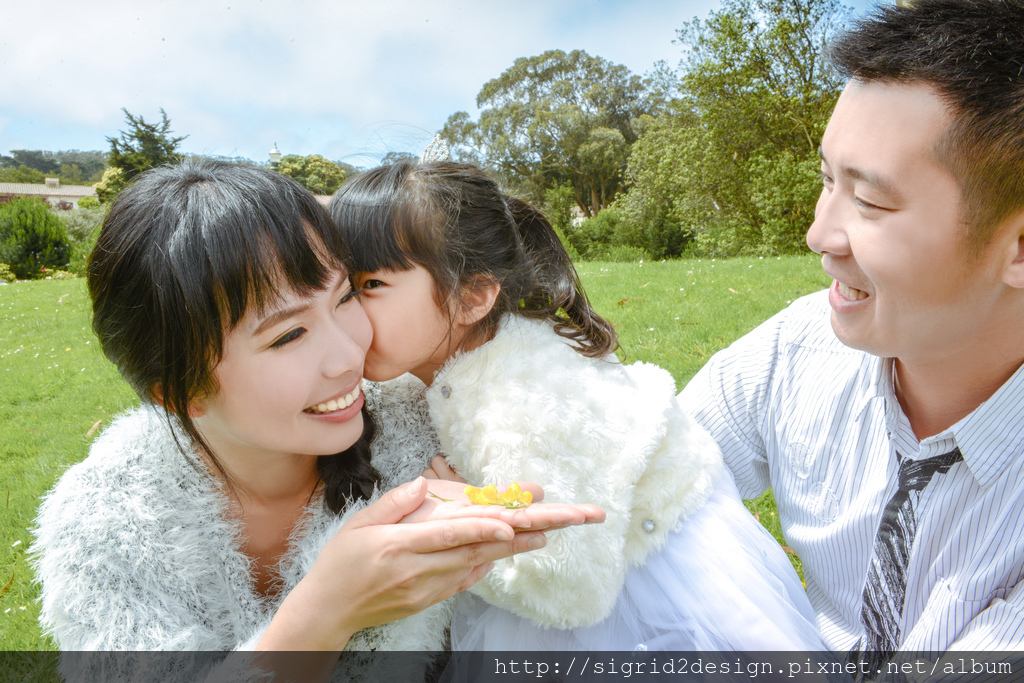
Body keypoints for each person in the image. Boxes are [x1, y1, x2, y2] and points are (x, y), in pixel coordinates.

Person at [29, 159, 597, 682]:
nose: (350, 357)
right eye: (289, 334)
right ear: (179, 392)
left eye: (347, 296)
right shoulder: (105, 529)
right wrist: (328, 608)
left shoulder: (433, 442)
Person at [327, 160, 827, 651]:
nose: (346, 311)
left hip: (650, 611)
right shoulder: (468, 356)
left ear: (473, 296)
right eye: (343, 287)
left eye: (370, 286)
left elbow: (571, 591)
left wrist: (459, 523)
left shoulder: (523, 407)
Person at [677, 0, 1024, 665]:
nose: (819, 235)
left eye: (869, 202)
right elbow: (642, 473)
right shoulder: (798, 351)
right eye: (826, 180)